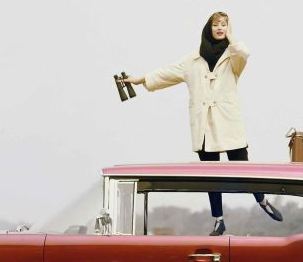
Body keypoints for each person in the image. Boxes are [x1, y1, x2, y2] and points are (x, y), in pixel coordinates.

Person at [121, 12, 283, 236]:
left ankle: (262, 200)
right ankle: (218, 220)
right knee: (211, 176)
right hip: (204, 125)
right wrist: (140, 80)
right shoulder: (193, 60)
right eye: (216, 25)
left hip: (227, 122)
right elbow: (167, 73)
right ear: (209, 28)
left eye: (224, 25)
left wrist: (232, 37)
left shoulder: (233, 58)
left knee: (243, 168)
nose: (220, 28)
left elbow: (244, 52)